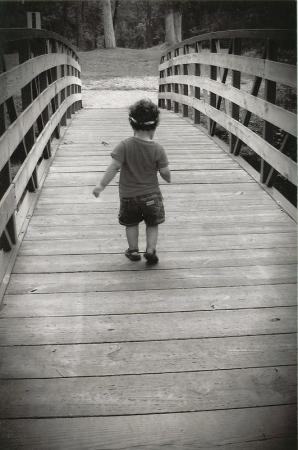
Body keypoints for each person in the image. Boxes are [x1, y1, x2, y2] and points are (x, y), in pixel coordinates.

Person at [92, 99, 171, 265]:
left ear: (131, 123)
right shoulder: (158, 149)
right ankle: (150, 250)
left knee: (131, 223)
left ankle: (133, 250)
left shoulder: (124, 146)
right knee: (152, 224)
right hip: (152, 196)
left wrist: (101, 185)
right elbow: (164, 171)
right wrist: (167, 178)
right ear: (155, 126)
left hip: (129, 197)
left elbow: (113, 167)